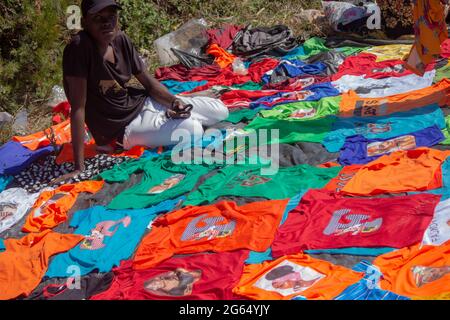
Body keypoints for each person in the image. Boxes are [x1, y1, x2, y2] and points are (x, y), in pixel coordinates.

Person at [60, 0, 228, 181]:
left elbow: (148, 83)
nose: (107, 23)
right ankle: (169, 121)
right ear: (85, 23)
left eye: (111, 16)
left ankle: (170, 117)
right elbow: (78, 108)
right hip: (124, 129)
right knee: (193, 129)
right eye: (98, 18)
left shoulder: (120, 40)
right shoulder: (79, 48)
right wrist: (79, 167)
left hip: (143, 102)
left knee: (220, 110)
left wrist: (174, 102)